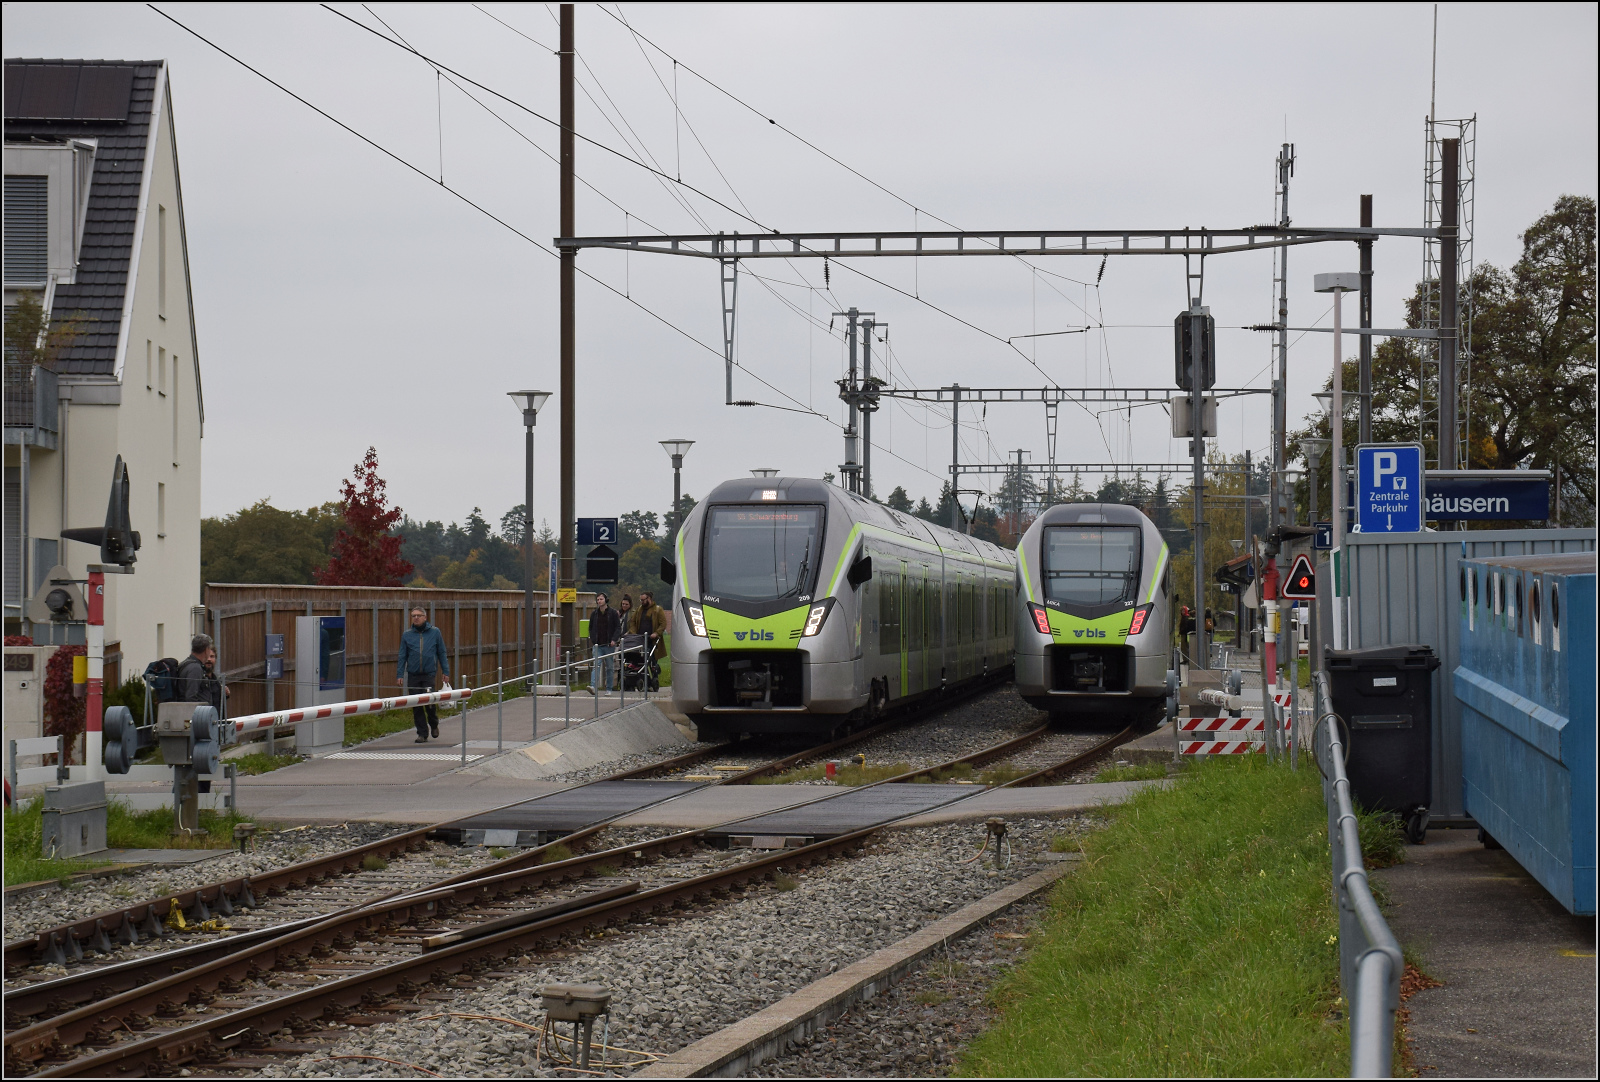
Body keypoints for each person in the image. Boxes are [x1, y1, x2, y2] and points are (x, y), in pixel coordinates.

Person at [397, 605, 450, 742]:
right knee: (416, 704)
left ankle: (434, 724)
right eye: (413, 615)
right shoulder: (407, 635)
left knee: (429, 702)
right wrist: (400, 674)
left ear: (425, 617)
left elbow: (441, 653)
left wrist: (446, 671)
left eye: (418, 615)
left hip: (428, 674)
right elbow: (402, 655)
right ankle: (422, 733)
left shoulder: (434, 632)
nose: (416, 618)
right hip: (413, 675)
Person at [175, 634, 227, 710]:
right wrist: (200, 716)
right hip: (196, 717)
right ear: (206, 650)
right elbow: (191, 697)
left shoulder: (186, 664)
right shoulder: (195, 668)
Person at [632, 590, 669, 691]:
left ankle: (654, 678)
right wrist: (634, 633)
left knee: (652, 661)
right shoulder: (639, 609)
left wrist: (656, 633)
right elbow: (633, 622)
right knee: (641, 661)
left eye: (644, 600)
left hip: (652, 640)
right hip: (640, 640)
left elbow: (663, 624)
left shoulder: (657, 610)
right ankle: (645, 681)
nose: (642, 602)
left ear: (649, 599)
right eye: (641, 600)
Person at [589, 592, 620, 694]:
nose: (599, 601)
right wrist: (593, 640)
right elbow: (591, 628)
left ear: (606, 600)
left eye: (601, 599)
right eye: (597, 599)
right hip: (598, 645)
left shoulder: (613, 613)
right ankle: (593, 686)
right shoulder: (594, 614)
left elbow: (617, 628)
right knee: (596, 665)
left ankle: (609, 688)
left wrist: (614, 639)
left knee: (609, 667)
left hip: (609, 645)